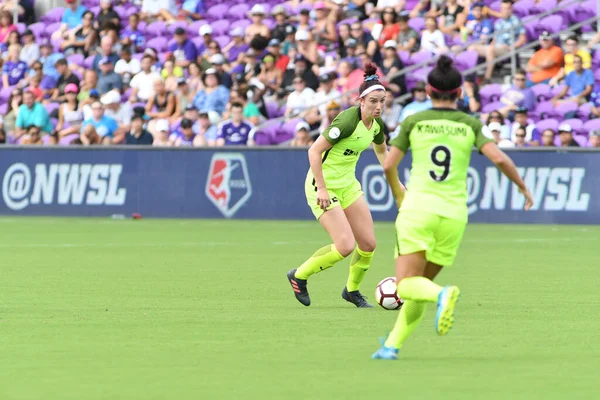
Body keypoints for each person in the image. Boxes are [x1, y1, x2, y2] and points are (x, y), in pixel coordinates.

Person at [372, 55, 533, 360]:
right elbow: (499, 158)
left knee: (406, 286)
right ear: (460, 93)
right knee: (419, 284)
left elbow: (389, 165)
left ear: (429, 92)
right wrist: (522, 187)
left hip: (418, 210)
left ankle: (443, 295)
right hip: (454, 215)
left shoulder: (413, 121)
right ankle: (391, 346)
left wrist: (397, 194)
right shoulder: (471, 124)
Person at [286, 63, 399, 308]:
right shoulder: (348, 120)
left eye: (382, 101)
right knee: (346, 245)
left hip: (348, 185)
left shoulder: (377, 125)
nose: (378, 106)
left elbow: (382, 151)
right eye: (373, 101)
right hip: (322, 185)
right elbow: (314, 151)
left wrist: (396, 182)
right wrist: (323, 189)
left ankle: (352, 291)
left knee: (368, 243)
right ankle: (299, 275)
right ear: (361, 100)